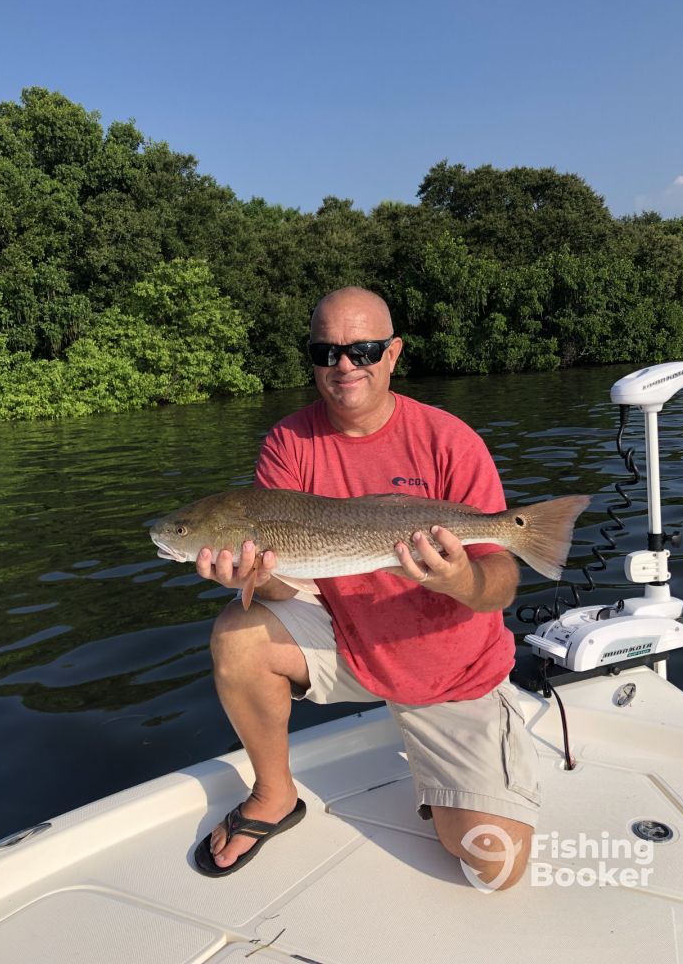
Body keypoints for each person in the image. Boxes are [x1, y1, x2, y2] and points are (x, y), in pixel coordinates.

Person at [193, 286, 540, 889]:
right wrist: (256, 579)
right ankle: (274, 794)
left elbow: (501, 586)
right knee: (237, 630)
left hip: (452, 671)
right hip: (349, 640)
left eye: (364, 350)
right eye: (326, 352)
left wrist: (459, 578)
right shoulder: (288, 443)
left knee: (495, 865)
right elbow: (286, 588)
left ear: (393, 354)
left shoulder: (449, 439)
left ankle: (451, 777)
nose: (344, 365)